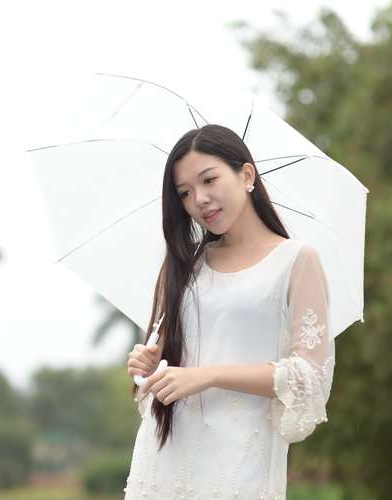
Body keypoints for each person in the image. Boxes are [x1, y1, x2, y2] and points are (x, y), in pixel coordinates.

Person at [124, 124, 336, 499]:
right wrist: (150, 364)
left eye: (209, 180)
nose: (200, 200)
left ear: (247, 175)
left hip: (241, 464)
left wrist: (210, 375)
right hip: (166, 459)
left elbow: (309, 377)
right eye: (185, 193)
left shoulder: (296, 260)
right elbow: (167, 367)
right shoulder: (183, 266)